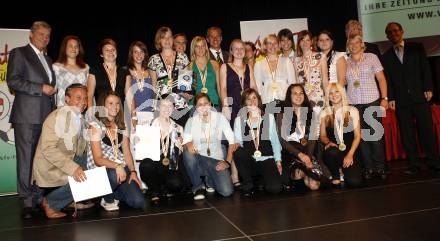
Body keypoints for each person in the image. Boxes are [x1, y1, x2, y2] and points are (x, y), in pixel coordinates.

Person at [6, 21, 56, 219]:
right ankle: (27, 202)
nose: (45, 38)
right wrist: (40, 88)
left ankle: (37, 199)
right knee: (26, 159)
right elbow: (13, 81)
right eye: (41, 34)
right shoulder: (20, 53)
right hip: (26, 116)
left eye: (48, 35)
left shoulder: (48, 59)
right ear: (31, 35)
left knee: (39, 161)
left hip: (45, 117)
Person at [382, 22, 440, 174]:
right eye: (390, 32)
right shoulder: (386, 56)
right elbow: (388, 79)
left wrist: (428, 87)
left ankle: (433, 161)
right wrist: (391, 97)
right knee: (407, 134)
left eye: (395, 31)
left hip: (420, 96)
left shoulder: (417, 47)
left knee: (426, 130)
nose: (393, 34)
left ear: (402, 31)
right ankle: (414, 164)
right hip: (401, 101)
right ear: (387, 36)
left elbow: (425, 68)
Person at [33, 84, 91, 218]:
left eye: (85, 98)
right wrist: (73, 168)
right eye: (78, 98)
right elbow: (48, 149)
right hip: (50, 165)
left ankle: (68, 200)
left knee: (92, 166)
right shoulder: (57, 117)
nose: (83, 102)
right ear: (67, 99)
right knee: (86, 175)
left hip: (65, 160)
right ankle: (50, 203)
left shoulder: (79, 118)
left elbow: (81, 148)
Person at [87, 91, 145, 211]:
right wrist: (117, 166)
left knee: (138, 202)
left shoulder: (121, 126)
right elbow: (98, 159)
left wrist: (133, 172)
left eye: (117, 103)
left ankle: (113, 192)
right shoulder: (95, 126)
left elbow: (127, 152)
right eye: (111, 103)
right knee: (113, 174)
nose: (115, 106)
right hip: (102, 170)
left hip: (120, 170)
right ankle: (107, 199)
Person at [345, 34, 388, 180]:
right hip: (354, 104)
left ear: (362, 44)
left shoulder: (372, 57)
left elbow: (381, 79)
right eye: (351, 43)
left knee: (375, 137)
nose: (354, 45)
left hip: (372, 101)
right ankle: (368, 168)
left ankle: (380, 168)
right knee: (361, 138)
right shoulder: (345, 61)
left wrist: (385, 98)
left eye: (357, 42)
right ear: (348, 46)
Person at [183, 93, 235, 200]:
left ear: (210, 104)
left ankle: (209, 181)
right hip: (199, 159)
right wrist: (188, 143)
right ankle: (198, 187)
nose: (203, 107)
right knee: (188, 153)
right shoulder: (191, 121)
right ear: (196, 108)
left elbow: (232, 141)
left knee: (227, 191)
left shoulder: (220, 118)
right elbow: (185, 142)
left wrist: (228, 162)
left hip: (216, 160)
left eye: (205, 103)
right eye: (199, 105)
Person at [233, 89, 283, 196]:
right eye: (248, 99)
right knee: (237, 151)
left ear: (258, 100)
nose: (252, 101)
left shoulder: (268, 117)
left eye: (254, 98)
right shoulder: (239, 120)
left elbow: (275, 141)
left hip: (266, 159)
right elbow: (238, 143)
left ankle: (262, 180)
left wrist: (278, 161)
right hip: (250, 161)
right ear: (244, 103)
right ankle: (248, 183)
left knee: (275, 188)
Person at [138, 95, 186, 202]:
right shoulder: (148, 125)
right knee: (145, 165)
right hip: (154, 165)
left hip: (169, 166)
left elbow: (178, 156)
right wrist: (138, 141)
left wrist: (180, 145)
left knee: (177, 185)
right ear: (158, 107)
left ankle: (164, 187)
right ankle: (154, 190)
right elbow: (141, 152)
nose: (166, 108)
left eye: (170, 105)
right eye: (163, 105)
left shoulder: (178, 128)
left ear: (173, 108)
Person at [277, 84, 323, 190]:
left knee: (314, 186)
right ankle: (302, 172)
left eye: (301, 93)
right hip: (291, 152)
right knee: (297, 176)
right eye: (295, 93)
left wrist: (308, 157)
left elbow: (312, 138)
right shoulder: (282, 114)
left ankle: (307, 172)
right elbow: (282, 140)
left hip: (308, 151)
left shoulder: (311, 113)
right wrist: (300, 155)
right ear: (289, 96)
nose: (299, 96)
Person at [320, 83, 363, 187]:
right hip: (335, 151)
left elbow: (358, 136)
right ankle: (336, 175)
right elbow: (322, 136)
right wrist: (328, 142)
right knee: (331, 152)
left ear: (342, 93)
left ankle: (344, 170)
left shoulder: (352, 111)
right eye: (330, 93)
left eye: (336, 91)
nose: (334, 95)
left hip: (350, 152)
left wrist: (350, 154)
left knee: (354, 182)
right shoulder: (324, 113)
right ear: (327, 96)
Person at [148, 27, 192, 127]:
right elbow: (154, 86)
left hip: (180, 106)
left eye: (169, 37)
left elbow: (188, 85)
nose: (167, 40)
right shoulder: (153, 59)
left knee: (181, 139)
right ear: (159, 40)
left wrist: (187, 95)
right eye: (163, 37)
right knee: (163, 139)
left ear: (172, 39)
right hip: (162, 107)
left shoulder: (183, 57)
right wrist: (155, 107)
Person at [220, 39, 257, 126]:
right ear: (231, 51)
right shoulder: (224, 66)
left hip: (248, 104)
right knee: (235, 135)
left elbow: (254, 86)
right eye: (236, 49)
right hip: (232, 106)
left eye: (241, 48)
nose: (239, 51)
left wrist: (256, 104)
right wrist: (225, 106)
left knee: (249, 133)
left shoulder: (249, 67)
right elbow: (223, 88)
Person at [254, 34, 296, 105]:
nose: (273, 46)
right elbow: (258, 87)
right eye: (270, 43)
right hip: (267, 101)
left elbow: (292, 83)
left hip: (285, 100)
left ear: (278, 45)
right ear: (265, 46)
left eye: (275, 43)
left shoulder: (286, 61)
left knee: (288, 116)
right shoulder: (259, 64)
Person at [87, 38, 126, 108]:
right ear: (101, 54)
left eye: (113, 49)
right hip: (102, 113)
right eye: (107, 50)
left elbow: (130, 96)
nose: (110, 52)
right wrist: (90, 115)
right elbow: (90, 95)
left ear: (116, 52)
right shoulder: (94, 70)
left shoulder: (124, 71)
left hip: (120, 112)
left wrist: (133, 116)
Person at [125, 41, 154, 128]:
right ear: (131, 54)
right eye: (136, 52)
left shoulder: (150, 71)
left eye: (141, 51)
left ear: (145, 54)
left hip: (150, 113)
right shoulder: (126, 71)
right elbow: (128, 95)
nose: (139, 55)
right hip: (134, 114)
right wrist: (133, 116)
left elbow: (155, 92)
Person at [53, 35, 89, 107]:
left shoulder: (86, 68)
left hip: (80, 109)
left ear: (79, 49)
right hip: (62, 108)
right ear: (64, 48)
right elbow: (53, 90)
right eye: (70, 46)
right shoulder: (56, 67)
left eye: (76, 46)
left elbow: (88, 91)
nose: (73, 48)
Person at [189, 36, 221, 107]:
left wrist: (224, 104)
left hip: (213, 102)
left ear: (206, 48)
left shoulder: (214, 64)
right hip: (195, 104)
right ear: (193, 49)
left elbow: (219, 87)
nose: (200, 49)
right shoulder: (189, 66)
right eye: (197, 46)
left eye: (202, 46)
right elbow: (188, 90)